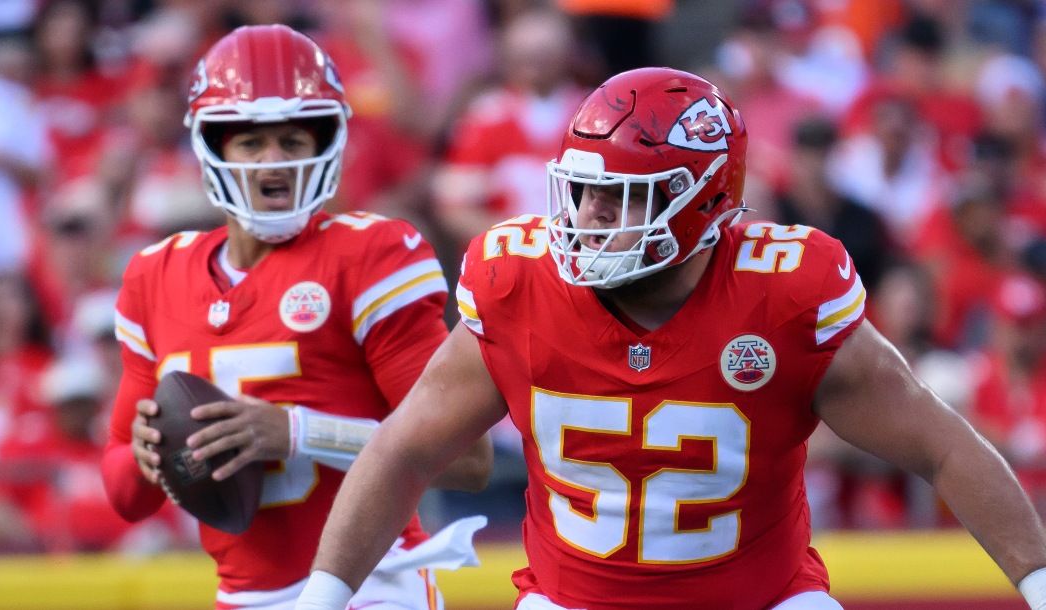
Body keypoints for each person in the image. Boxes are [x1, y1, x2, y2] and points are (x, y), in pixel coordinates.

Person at [295, 68, 1046, 610]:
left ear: (703, 203)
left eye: (616, 198)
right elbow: (405, 449)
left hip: (761, 600)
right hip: (571, 602)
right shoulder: (518, 281)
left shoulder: (783, 290)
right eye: (581, 190)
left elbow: (942, 447)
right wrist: (318, 602)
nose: (585, 217)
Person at [100, 25, 493, 610]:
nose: (273, 163)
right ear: (214, 148)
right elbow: (125, 496)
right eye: (251, 144)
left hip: (372, 585)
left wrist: (294, 432)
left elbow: (465, 458)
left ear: (326, 143)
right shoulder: (156, 275)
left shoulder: (371, 255)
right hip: (240, 595)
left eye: (292, 141)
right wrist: (146, 453)